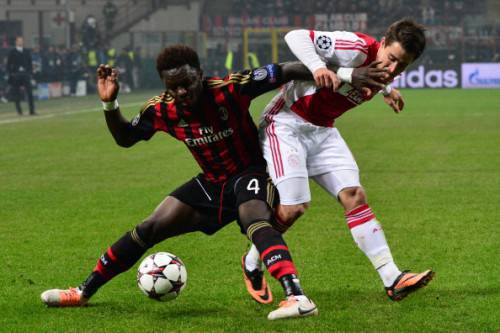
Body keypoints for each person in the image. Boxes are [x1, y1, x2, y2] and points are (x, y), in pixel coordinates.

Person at [41, 44, 323, 320]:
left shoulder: (230, 88)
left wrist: (333, 73)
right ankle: (82, 292)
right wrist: (109, 103)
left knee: (254, 221)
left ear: (199, 74)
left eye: (187, 83)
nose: (181, 92)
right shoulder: (161, 110)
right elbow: (125, 138)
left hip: (250, 173)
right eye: (172, 87)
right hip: (211, 184)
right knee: (148, 228)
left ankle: (297, 296)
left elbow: (286, 70)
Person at [242, 19, 434, 304]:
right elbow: (295, 35)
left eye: (402, 66)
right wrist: (320, 68)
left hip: (323, 131)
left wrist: (387, 90)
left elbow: (374, 75)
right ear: (382, 42)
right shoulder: (354, 46)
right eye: (391, 59)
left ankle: (392, 278)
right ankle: (252, 263)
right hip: (286, 124)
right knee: (293, 208)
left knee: (354, 195)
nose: (393, 69)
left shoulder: (385, 69)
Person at [6, 36, 36, 115]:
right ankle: (19, 111)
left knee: (30, 93)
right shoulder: (12, 52)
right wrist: (11, 74)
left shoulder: (26, 51)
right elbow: (8, 64)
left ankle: (32, 111)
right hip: (16, 75)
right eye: (19, 41)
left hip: (25, 74)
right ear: (16, 42)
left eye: (22, 41)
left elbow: (30, 63)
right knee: (17, 94)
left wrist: (30, 73)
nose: (20, 42)